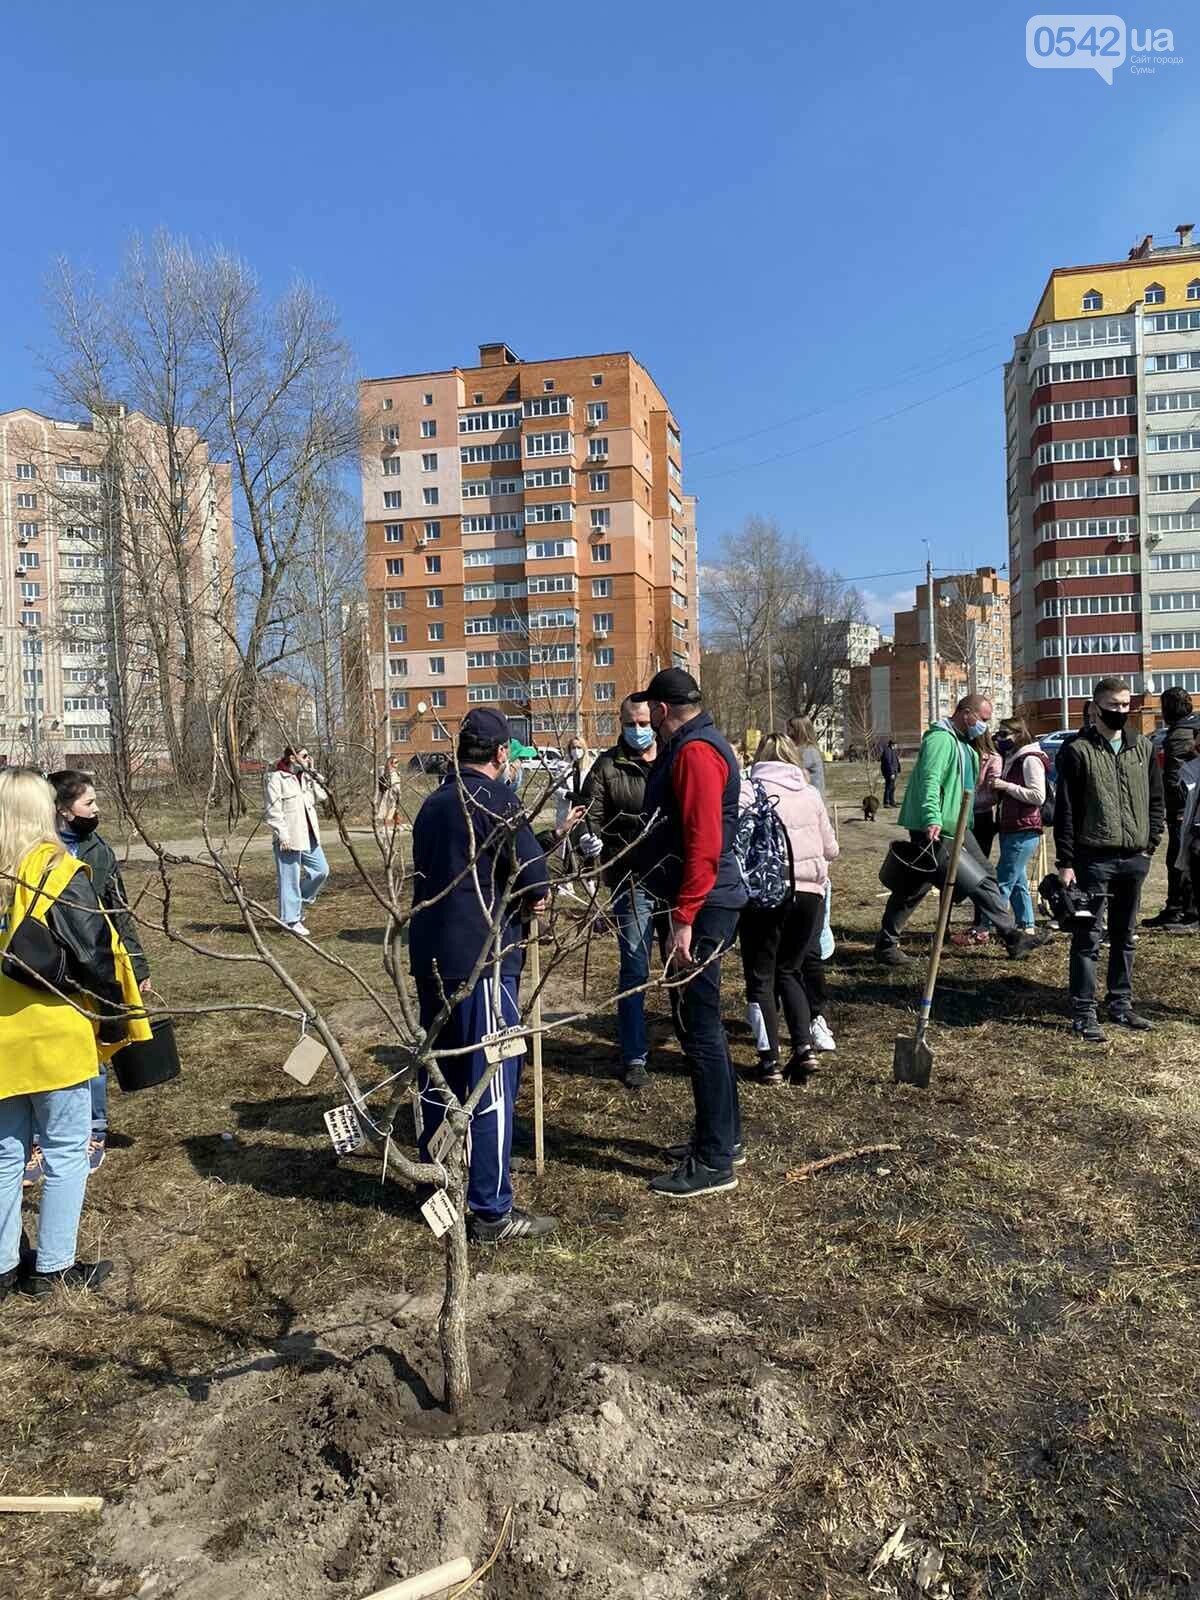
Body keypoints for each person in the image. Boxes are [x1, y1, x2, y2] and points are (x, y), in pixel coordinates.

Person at [409, 709, 554, 1244]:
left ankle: (435, 1183)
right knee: (491, 1078)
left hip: (430, 957)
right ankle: (491, 1209)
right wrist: (532, 895)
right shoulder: (497, 799)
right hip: (483, 961)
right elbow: (534, 878)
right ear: (499, 756)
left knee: (439, 1072)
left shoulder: (433, 803)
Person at [0, 768, 146, 1301]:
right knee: (64, 1151)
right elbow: (94, 954)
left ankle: (3, 1266)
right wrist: (115, 1012)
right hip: (54, 1034)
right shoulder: (58, 869)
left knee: (4, 1155)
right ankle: (54, 1267)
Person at [633, 667, 747, 1200]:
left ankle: (714, 1161)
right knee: (700, 1026)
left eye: (648, 714)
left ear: (661, 710)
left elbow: (702, 843)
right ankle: (721, 1136)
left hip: (700, 905)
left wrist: (683, 916)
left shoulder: (697, 753)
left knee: (697, 1028)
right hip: (698, 900)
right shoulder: (696, 745)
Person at [874, 694, 1046, 966]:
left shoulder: (964, 743)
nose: (986, 727)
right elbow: (930, 781)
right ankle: (886, 944)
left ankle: (1012, 935)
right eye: (984, 719)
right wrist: (932, 818)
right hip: (935, 826)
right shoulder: (940, 740)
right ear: (967, 713)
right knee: (922, 886)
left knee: (982, 876)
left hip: (958, 824)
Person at [36, 772, 151, 1178]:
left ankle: (93, 1128)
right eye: (88, 804)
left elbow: (118, 911)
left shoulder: (97, 852)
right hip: (43, 967)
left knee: (94, 1047)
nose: (97, 810)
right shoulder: (31, 851)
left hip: (92, 962)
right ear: (62, 811)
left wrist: (137, 967)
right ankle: (41, 1134)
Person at [1054, 676, 1164, 1043]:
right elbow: (1066, 810)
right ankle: (1084, 1011)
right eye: (1114, 705)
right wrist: (1066, 862)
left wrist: (1151, 843)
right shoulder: (1076, 750)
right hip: (1093, 860)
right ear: (1095, 706)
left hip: (1134, 858)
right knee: (1088, 937)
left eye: (1125, 704)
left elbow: (1156, 799)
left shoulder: (1143, 747)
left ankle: (1120, 1003)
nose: (1122, 711)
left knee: (1125, 936)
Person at [738, 734, 838, 1084]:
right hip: (810, 894)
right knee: (791, 971)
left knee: (761, 977)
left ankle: (769, 1062)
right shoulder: (810, 794)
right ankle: (804, 1048)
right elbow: (832, 848)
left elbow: (737, 839)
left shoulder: (749, 790)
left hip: (767, 893)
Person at [579, 697, 658, 1089]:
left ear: (656, 720)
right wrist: (587, 840)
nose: (637, 727)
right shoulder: (607, 766)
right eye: (630, 721)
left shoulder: (673, 759)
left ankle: (689, 1040)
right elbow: (585, 815)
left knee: (682, 964)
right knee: (634, 966)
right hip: (631, 879)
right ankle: (635, 1054)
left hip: (674, 877)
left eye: (643, 720)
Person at [1143, 686, 1200, 929]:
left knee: (1181, 860)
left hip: (1183, 810)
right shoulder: (1191, 728)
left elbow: (1177, 780)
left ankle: (1181, 910)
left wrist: (1175, 809)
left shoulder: (1179, 735)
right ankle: (1179, 908)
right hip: (1188, 808)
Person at [989, 718, 1050, 934]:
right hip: (1011, 827)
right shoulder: (1012, 758)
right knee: (1018, 882)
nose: (1000, 738)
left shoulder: (1030, 759)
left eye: (1005, 734)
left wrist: (1007, 786)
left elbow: (1037, 796)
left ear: (1019, 734)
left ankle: (986, 928)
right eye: (999, 734)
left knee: (1003, 881)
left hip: (1023, 830)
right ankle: (1026, 925)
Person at [263, 746, 328, 938]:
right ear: (292, 758)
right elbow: (272, 810)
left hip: (309, 835)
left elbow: (322, 796)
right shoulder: (276, 778)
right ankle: (291, 921)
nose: (309, 759)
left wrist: (313, 772)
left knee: (321, 871)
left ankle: (297, 904)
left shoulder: (305, 777)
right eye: (305, 756)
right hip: (289, 837)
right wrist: (282, 835)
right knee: (289, 877)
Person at [956, 729, 1002, 945]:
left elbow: (993, 793)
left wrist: (975, 794)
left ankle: (980, 922)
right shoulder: (962, 753)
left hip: (981, 817)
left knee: (979, 871)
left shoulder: (992, 759)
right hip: (960, 816)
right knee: (956, 868)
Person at [785, 716, 826, 797]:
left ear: (799, 730)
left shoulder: (808, 751)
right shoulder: (804, 749)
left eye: (789, 730)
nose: (787, 734)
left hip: (812, 800)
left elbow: (791, 771)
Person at [376, 756, 403, 828]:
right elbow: (395, 785)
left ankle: (397, 824)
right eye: (395, 762)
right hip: (390, 793)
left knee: (393, 809)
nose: (397, 764)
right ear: (391, 764)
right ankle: (386, 827)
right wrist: (398, 793)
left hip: (391, 793)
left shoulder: (394, 772)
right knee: (389, 809)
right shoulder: (389, 773)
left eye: (397, 762)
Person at [880, 740, 902, 807]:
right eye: (896, 745)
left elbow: (896, 761)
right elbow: (888, 763)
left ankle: (892, 801)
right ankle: (886, 802)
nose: (896, 746)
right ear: (892, 744)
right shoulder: (887, 751)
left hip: (894, 772)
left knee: (892, 787)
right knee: (888, 787)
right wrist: (891, 773)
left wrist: (898, 770)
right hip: (889, 772)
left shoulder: (893, 751)